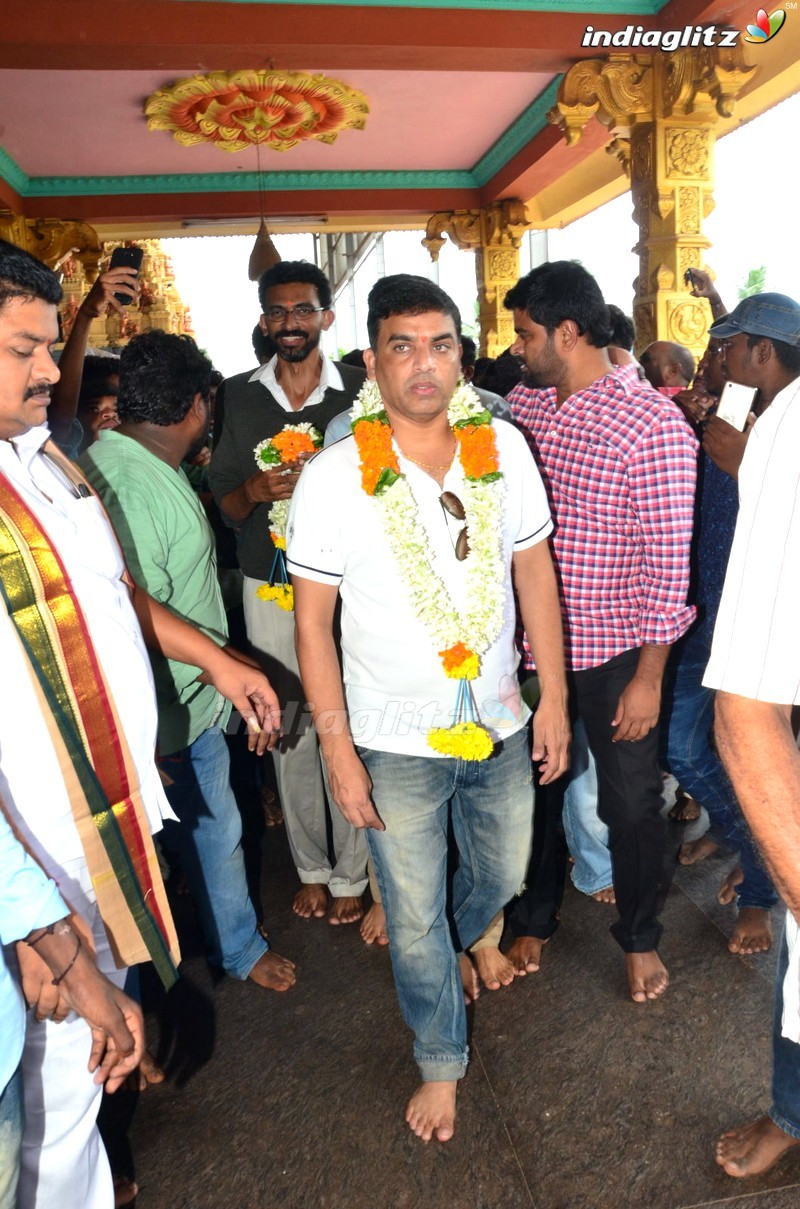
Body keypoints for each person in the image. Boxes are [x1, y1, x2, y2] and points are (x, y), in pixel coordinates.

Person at [0, 237, 281, 1207]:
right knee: (31, 1117)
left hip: (91, 840)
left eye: (51, 346)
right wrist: (44, 938)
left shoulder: (46, 468)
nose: (51, 373)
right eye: (23, 350)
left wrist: (217, 657)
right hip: (28, 883)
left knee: (80, 1089)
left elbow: (110, 595)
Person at [287, 273, 569, 1143]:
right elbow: (312, 621)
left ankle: (439, 932)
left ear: (462, 355)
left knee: (507, 871)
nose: (423, 364)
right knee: (413, 915)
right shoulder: (335, 475)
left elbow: (533, 573)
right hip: (389, 736)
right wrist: (335, 746)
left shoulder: (505, 448)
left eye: (440, 344)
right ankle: (440, 1058)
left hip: (498, 720)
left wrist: (551, 694)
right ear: (372, 361)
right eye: (401, 346)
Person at [504, 261, 697, 1003]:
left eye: (525, 334)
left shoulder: (652, 426)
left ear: (569, 332)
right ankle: (534, 915)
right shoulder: (528, 405)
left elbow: (666, 563)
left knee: (629, 804)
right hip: (528, 644)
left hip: (616, 652)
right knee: (535, 789)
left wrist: (650, 676)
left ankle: (640, 936)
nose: (516, 348)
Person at [80, 329, 296, 992]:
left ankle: (229, 944)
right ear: (200, 406)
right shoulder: (129, 486)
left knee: (213, 830)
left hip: (188, 701)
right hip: (157, 715)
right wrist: (223, 667)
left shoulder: (134, 463)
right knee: (174, 846)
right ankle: (162, 983)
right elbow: (130, 613)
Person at [210, 260, 368, 926]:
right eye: (275, 312)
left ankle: (356, 869)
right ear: (263, 321)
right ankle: (310, 866)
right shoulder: (238, 396)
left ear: (326, 317)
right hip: (267, 585)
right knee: (291, 725)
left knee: (352, 721)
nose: (288, 323)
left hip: (353, 588)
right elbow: (224, 501)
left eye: (301, 310)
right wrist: (255, 490)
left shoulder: (363, 393)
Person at [699, 292, 800, 1179]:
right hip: (747, 630)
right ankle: (791, 1112)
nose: (720, 361)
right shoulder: (775, 427)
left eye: (731, 348)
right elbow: (750, 708)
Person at [0, 811, 145, 1209]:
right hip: (40, 851)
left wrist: (43, 927)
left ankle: (81, 1191)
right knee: (54, 1104)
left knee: (71, 1099)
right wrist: (41, 930)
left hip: (75, 841)